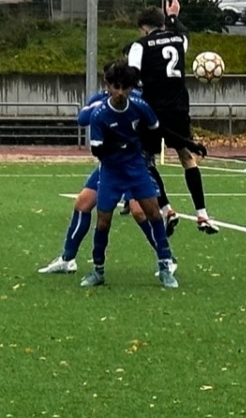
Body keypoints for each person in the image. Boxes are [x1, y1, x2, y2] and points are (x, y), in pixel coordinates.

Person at [71, 60, 178, 288]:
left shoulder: (140, 106)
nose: (120, 92)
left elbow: (155, 130)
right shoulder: (99, 114)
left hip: (137, 169)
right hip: (111, 171)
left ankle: (165, 266)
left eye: (125, 87)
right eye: (116, 87)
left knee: (153, 214)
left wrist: (147, 147)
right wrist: (119, 145)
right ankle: (98, 270)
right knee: (103, 222)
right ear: (108, 86)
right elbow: (97, 150)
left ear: (131, 87)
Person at [125, 0, 218, 234]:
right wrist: (174, 16)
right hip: (179, 108)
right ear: (162, 23)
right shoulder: (178, 40)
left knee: (145, 160)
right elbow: (184, 34)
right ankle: (202, 214)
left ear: (143, 28)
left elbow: (132, 75)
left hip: (152, 111)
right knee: (186, 157)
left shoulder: (140, 45)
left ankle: (167, 209)